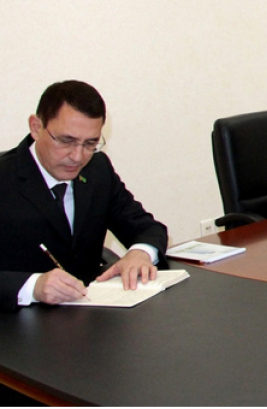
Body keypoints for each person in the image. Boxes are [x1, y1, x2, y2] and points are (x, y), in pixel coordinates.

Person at [0, 81, 169, 311]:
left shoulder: (97, 169)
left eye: (90, 143)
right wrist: (33, 286)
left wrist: (140, 253)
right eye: (66, 141)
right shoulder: (5, 177)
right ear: (36, 127)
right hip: (18, 321)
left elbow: (147, 227)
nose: (77, 157)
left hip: (91, 315)